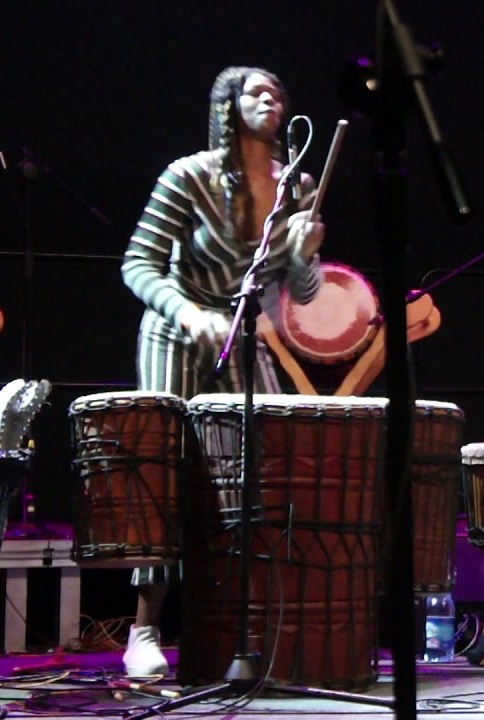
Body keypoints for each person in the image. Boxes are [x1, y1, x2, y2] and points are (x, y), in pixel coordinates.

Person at [119, 65, 325, 677]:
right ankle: (145, 629)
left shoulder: (296, 185)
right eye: (256, 91)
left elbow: (303, 293)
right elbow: (138, 264)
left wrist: (306, 253)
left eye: (279, 92)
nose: (272, 98)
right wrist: (188, 312)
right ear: (229, 106)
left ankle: (238, 627)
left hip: (243, 337)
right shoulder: (188, 176)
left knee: (255, 472)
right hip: (176, 333)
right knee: (166, 472)